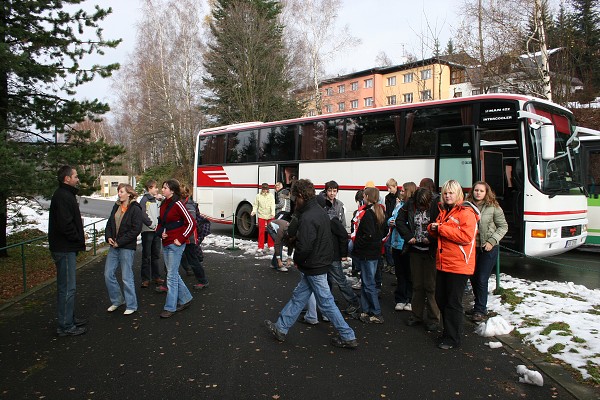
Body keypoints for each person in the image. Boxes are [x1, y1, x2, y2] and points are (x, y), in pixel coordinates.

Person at [264, 179, 358, 349]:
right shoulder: (319, 211)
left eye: (294, 198)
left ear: (300, 196)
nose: (293, 201)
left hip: (314, 265)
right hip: (318, 262)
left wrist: (298, 260)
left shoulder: (308, 216)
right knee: (299, 297)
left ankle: (347, 335)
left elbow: (305, 245)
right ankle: (281, 328)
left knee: (326, 302)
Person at [428, 179, 480, 350]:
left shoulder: (466, 212)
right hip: (444, 263)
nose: (448, 196)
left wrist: (440, 229)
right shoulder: (445, 211)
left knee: (452, 302)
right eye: (445, 193)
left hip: (459, 265)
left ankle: (453, 337)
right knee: (441, 298)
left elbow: (466, 237)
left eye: (451, 193)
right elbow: (439, 230)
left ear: (458, 194)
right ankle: (448, 332)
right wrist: (432, 228)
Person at [48, 165, 88, 337]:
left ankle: (68, 318)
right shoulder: (63, 196)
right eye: (75, 176)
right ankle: (66, 325)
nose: (77, 179)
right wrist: (77, 238)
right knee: (67, 288)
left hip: (65, 247)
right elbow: (66, 224)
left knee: (67, 286)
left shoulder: (64, 195)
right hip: (64, 248)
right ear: (67, 179)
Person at [397, 186, 441, 332]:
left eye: (424, 205)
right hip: (415, 250)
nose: (421, 207)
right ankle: (416, 315)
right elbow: (400, 221)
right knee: (417, 285)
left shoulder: (437, 204)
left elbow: (442, 225)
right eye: (419, 205)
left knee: (431, 286)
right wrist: (408, 236)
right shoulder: (409, 204)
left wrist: (431, 238)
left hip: (431, 251)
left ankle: (434, 318)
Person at [465, 181, 508, 322]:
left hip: (487, 248)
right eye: (476, 190)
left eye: (481, 191)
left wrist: (492, 241)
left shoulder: (493, 207)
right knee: (473, 278)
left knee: (482, 279)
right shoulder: (466, 205)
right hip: (471, 248)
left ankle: (480, 310)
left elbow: (503, 226)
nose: (478, 193)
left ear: (486, 192)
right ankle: (479, 305)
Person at [156, 179, 196, 318]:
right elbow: (160, 223)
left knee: (171, 276)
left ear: (172, 190)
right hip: (166, 243)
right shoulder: (163, 204)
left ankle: (170, 308)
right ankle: (186, 298)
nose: (162, 190)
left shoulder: (178, 204)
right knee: (173, 274)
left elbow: (191, 223)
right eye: (162, 187)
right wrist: (161, 232)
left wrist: (182, 238)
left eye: (165, 188)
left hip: (176, 245)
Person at [104, 183, 145, 315]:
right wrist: (109, 236)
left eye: (121, 191)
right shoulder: (116, 206)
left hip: (126, 247)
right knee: (108, 274)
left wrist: (120, 242)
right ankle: (117, 300)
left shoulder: (135, 208)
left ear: (129, 193)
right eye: (118, 191)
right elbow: (110, 222)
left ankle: (131, 305)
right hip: (114, 245)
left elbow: (136, 229)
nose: (119, 194)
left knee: (127, 276)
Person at [353, 187, 387, 324]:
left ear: (366, 196)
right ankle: (365, 310)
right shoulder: (380, 212)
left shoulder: (368, 214)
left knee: (368, 284)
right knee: (368, 282)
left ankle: (376, 312)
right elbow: (384, 232)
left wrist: (358, 245)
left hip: (367, 253)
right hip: (375, 252)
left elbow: (367, 234)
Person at [389, 182, 416, 311]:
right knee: (400, 273)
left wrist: (401, 223)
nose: (401, 193)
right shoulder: (399, 205)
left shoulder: (413, 207)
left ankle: (410, 299)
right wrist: (391, 221)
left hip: (406, 244)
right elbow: (391, 218)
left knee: (409, 273)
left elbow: (411, 223)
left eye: (404, 191)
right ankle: (400, 299)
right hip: (395, 243)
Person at [179, 184, 210, 290]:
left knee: (192, 259)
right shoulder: (187, 204)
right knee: (184, 258)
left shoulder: (188, 205)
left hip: (187, 237)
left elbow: (191, 222)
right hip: (186, 237)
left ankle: (203, 280)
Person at [139, 179, 164, 289]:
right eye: (155, 187)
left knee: (156, 255)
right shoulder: (144, 200)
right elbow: (142, 214)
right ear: (150, 188)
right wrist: (151, 224)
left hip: (155, 231)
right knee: (146, 256)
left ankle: (156, 277)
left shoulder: (155, 200)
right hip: (148, 231)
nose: (157, 189)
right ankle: (145, 279)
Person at [251, 183, 275, 252]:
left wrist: (273, 213)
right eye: (264, 189)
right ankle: (260, 246)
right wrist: (254, 211)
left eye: (266, 189)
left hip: (270, 215)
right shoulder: (258, 196)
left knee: (270, 231)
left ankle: (271, 245)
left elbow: (272, 205)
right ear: (262, 189)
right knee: (261, 231)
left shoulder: (271, 196)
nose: (265, 190)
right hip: (261, 215)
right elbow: (255, 205)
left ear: (268, 189)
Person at [383, 178, 399, 272]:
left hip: (396, 223)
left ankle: (394, 265)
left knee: (394, 245)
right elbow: (388, 211)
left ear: (395, 186)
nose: (389, 190)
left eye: (390, 188)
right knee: (387, 245)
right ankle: (390, 263)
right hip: (389, 222)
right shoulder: (388, 197)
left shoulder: (399, 196)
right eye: (388, 188)